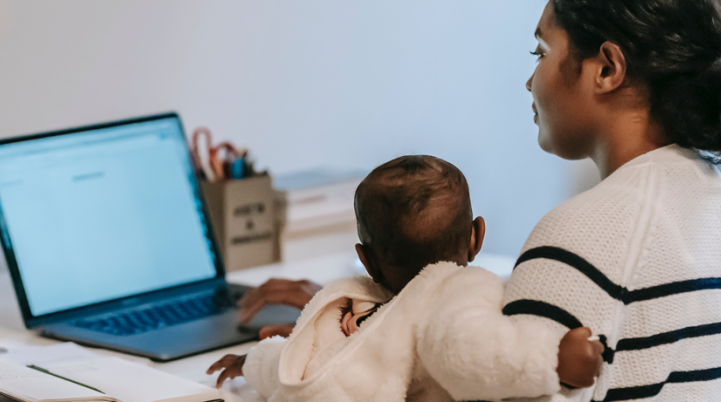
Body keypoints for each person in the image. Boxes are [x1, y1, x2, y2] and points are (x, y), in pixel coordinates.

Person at [236, 0, 721, 401]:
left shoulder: (587, 232)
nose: (531, 82)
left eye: (540, 53)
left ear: (606, 67)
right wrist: (386, 319)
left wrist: (337, 355)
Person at [209, 155, 604, 401]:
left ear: (366, 260)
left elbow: (300, 365)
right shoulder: (460, 289)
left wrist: (251, 363)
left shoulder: (352, 306)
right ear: (477, 237)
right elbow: (470, 354)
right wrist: (553, 360)